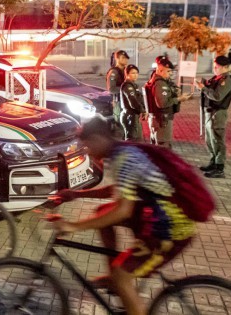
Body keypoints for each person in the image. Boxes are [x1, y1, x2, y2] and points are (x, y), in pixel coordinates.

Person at [50, 117, 197, 315]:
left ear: (96, 139)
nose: (88, 152)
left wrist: (73, 226)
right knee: (102, 214)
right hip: (158, 215)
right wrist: (76, 194)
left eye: (87, 146)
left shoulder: (123, 159)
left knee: (122, 275)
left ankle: (119, 279)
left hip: (170, 229)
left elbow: (123, 210)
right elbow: (117, 190)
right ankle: (115, 278)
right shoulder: (122, 151)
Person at [195, 56, 231, 179]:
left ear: (224, 67)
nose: (214, 69)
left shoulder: (226, 80)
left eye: (216, 67)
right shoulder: (217, 78)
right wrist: (203, 84)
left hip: (218, 113)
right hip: (210, 112)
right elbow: (210, 87)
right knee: (210, 140)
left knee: (217, 140)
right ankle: (213, 162)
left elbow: (217, 96)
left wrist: (203, 88)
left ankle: (219, 168)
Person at [143, 56, 192, 148]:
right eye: (168, 71)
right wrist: (179, 99)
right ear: (161, 70)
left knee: (157, 146)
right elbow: (162, 103)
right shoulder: (160, 84)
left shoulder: (157, 80)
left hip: (157, 119)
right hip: (161, 120)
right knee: (163, 147)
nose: (170, 74)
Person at [119, 65, 145, 141]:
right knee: (133, 141)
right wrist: (143, 111)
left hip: (132, 116)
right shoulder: (127, 86)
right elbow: (133, 102)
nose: (135, 75)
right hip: (130, 116)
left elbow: (139, 99)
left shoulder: (133, 85)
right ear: (127, 74)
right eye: (133, 73)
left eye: (137, 73)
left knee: (136, 140)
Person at [105, 50, 129, 129]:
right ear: (117, 59)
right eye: (123, 58)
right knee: (120, 125)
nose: (125, 60)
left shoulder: (126, 71)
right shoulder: (113, 72)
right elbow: (111, 89)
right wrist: (125, 89)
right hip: (118, 102)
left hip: (127, 101)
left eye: (126, 58)